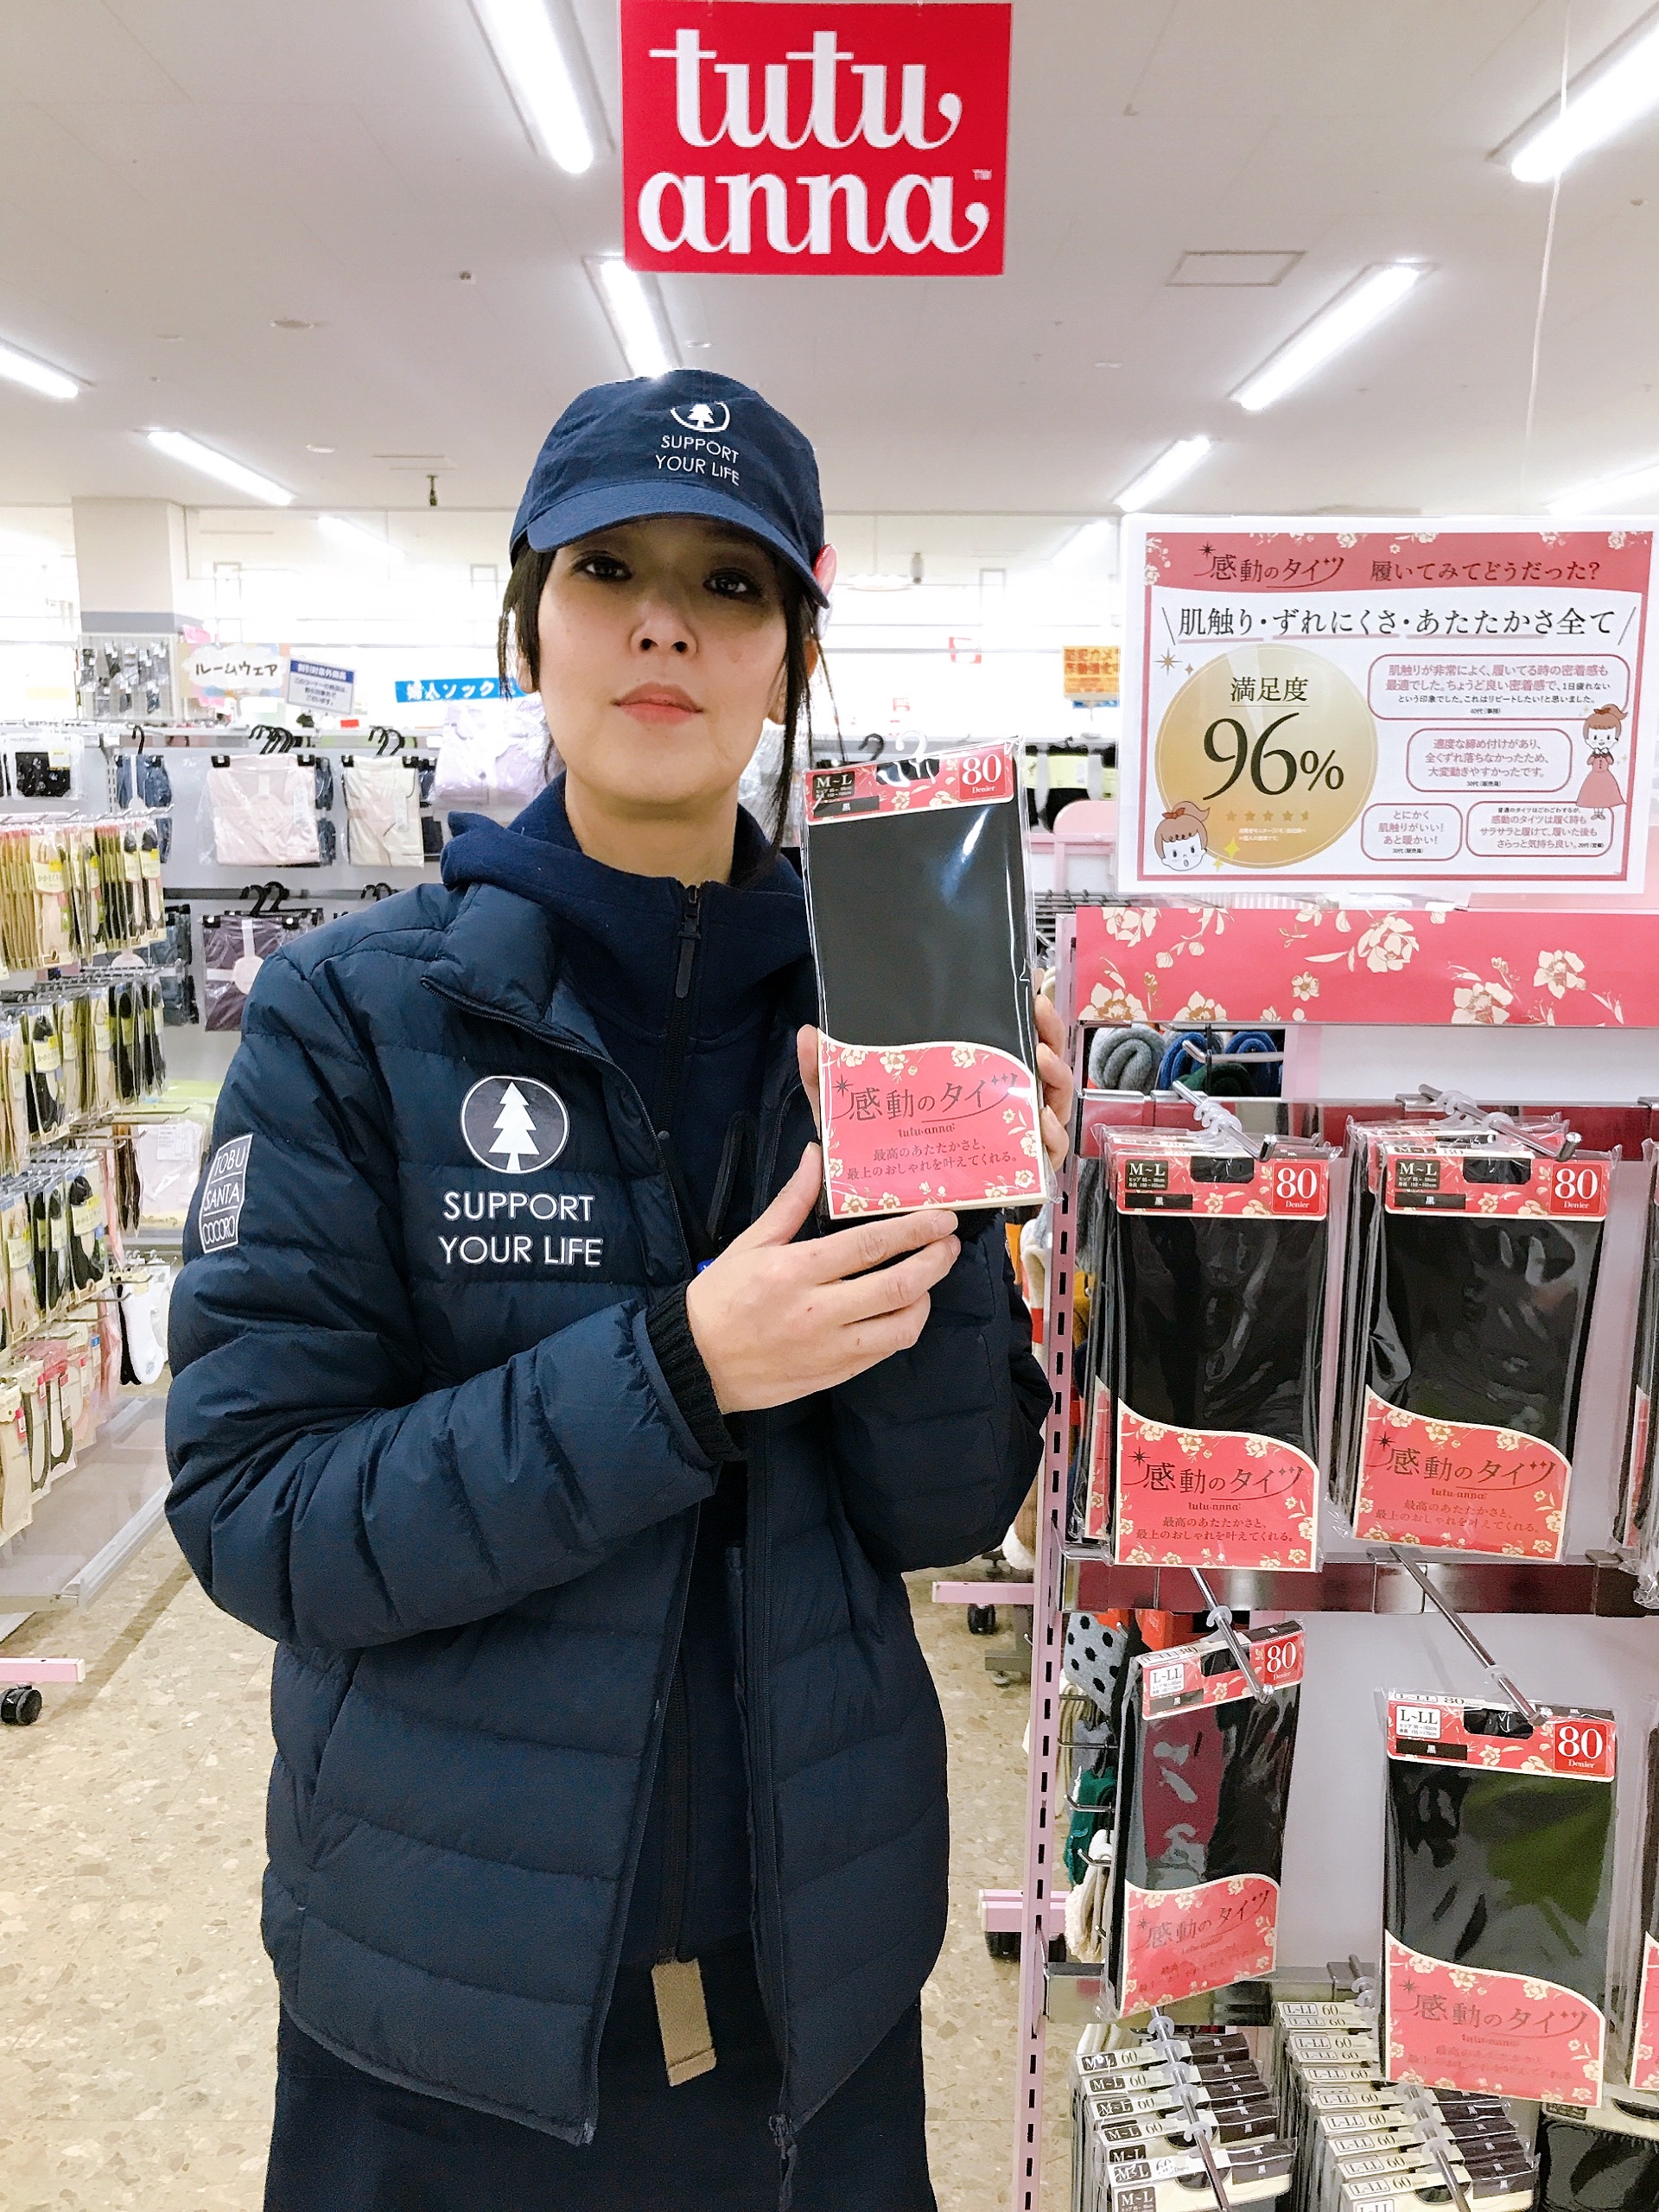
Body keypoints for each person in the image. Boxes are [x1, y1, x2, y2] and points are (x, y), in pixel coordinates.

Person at [164, 370, 1071, 2212]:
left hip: (814, 2002)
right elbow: (260, 1511)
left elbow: (943, 1506)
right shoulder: (355, 1013)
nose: (667, 622)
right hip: (445, 2014)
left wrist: (960, 1216)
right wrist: (678, 1370)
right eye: (610, 569)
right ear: (533, 623)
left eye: (730, 583)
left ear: (788, 657)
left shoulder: (882, 1000)